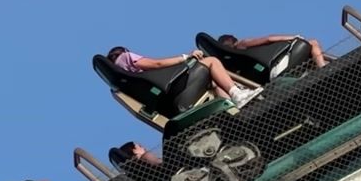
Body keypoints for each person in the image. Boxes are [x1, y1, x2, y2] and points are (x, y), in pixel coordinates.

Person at [105, 45, 253, 105]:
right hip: (177, 90)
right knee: (211, 61)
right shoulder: (125, 58)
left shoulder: (123, 83)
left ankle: (231, 103)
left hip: (170, 101)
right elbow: (157, 64)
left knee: (213, 81)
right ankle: (237, 94)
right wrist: (185, 57)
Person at [216, 32, 327, 69]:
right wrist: (293, 38)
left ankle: (321, 65)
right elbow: (268, 39)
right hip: (280, 64)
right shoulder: (242, 44)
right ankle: (324, 67)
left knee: (310, 53)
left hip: (275, 68)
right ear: (230, 40)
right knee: (312, 43)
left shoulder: (237, 58)